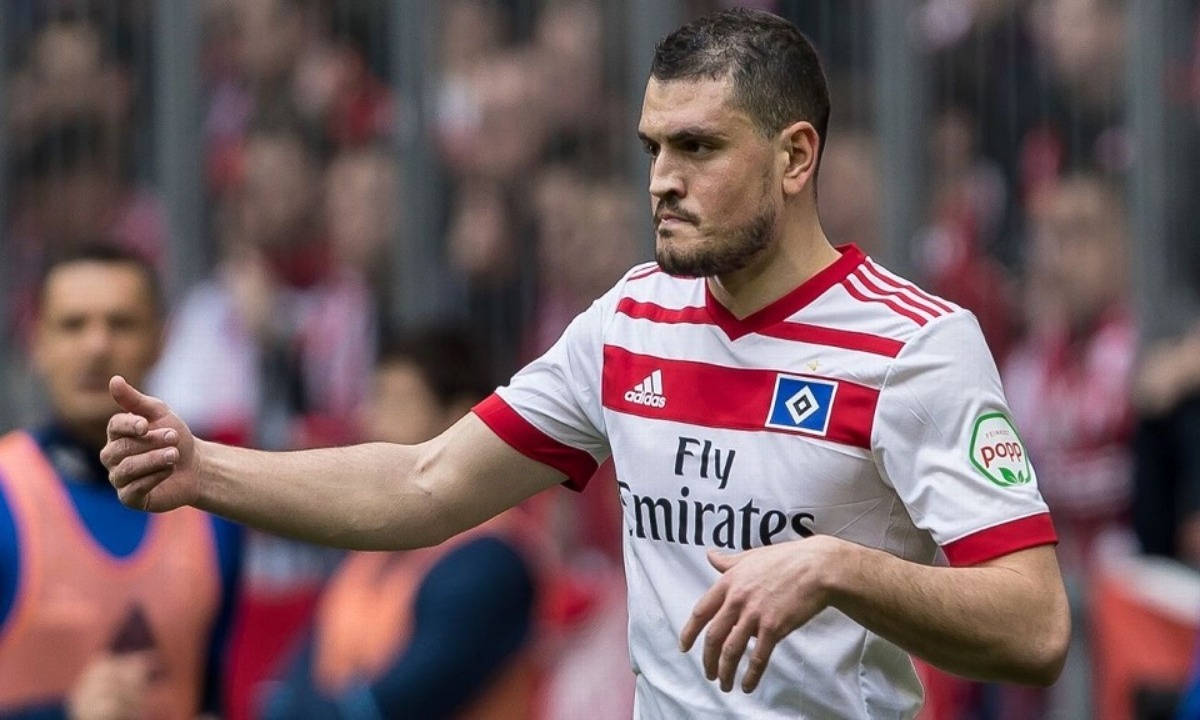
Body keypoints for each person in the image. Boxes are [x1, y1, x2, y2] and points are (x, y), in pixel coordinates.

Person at [102, 9, 1070, 718]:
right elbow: (423, 482)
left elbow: (1035, 628)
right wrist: (204, 471)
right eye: (653, 148)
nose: (663, 181)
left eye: (699, 148)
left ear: (795, 157)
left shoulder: (914, 346)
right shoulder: (629, 323)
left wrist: (838, 569)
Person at [0, 244, 241, 718]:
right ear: (37, 342)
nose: (96, 345)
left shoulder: (213, 507)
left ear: (161, 339)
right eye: (73, 325)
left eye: (121, 324)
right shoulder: (6, 492)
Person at [255, 327, 540, 719]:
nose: (370, 418)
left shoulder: (491, 560)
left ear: (461, 417)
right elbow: (299, 675)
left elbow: (403, 701)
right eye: (374, 398)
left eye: (397, 401)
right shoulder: (371, 543)